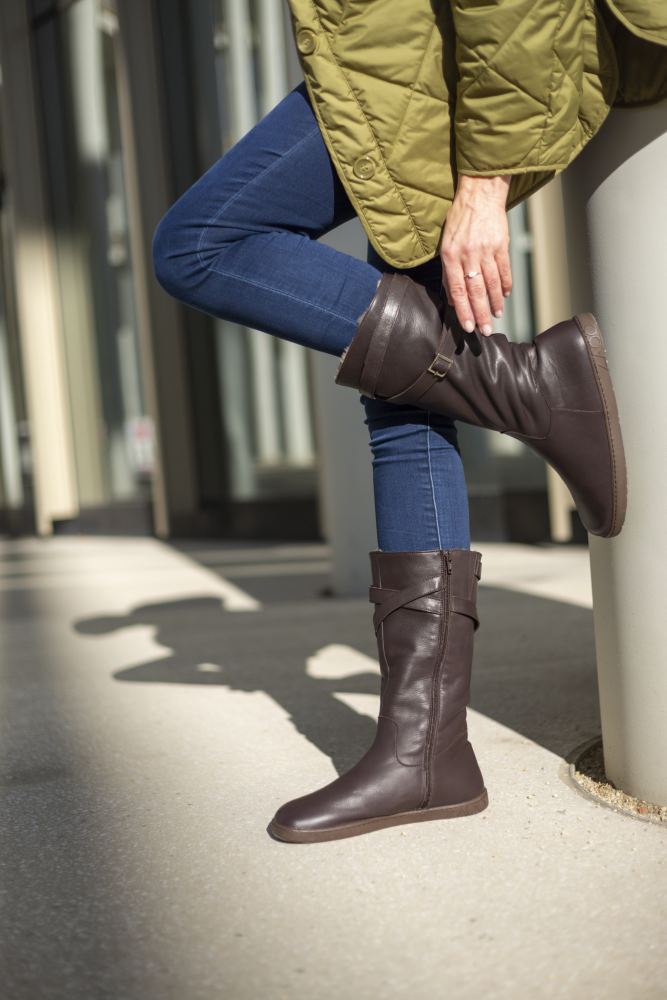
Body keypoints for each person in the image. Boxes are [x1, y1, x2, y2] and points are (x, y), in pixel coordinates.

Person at [151, 0, 667, 843]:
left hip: (427, 74)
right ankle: (424, 753)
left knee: (201, 243)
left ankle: (532, 388)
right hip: (397, 64)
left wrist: (484, 181)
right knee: (406, 398)